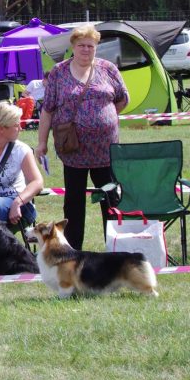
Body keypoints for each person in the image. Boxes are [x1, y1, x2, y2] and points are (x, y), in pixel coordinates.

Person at [35, 25, 128, 250]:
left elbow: (123, 99)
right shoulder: (58, 72)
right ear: (73, 47)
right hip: (73, 150)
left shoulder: (109, 69)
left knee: (111, 200)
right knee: (74, 203)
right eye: (81, 46)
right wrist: (41, 143)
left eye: (91, 46)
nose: (86, 50)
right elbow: (47, 110)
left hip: (105, 151)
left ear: (96, 47)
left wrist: (103, 118)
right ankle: (73, 251)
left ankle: (115, 247)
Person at [0, 102, 43, 226]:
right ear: (1, 128)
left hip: (17, 205)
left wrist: (17, 202)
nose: (21, 128)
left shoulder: (21, 150)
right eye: (16, 125)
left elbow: (37, 182)